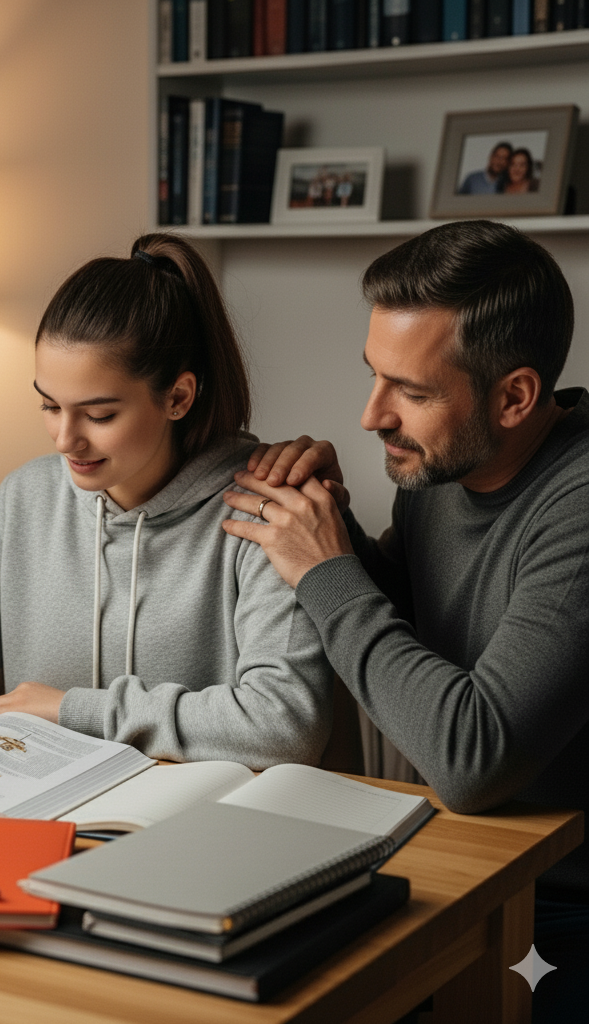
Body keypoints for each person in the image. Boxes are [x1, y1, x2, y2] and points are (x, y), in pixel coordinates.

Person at [223, 220, 588, 1020]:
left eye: (411, 393)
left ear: (516, 395)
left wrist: (322, 568)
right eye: (374, 377)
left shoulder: (579, 507)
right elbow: (418, 623)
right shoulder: (447, 464)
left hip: (564, 909)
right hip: (465, 865)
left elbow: (472, 758)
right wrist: (335, 520)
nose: (371, 416)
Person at [0, 234, 333, 767]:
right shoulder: (27, 497)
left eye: (99, 415)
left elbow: (283, 722)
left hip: (198, 826)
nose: (64, 440)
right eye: (49, 405)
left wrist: (75, 711)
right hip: (39, 805)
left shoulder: (267, 511)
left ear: (178, 397)